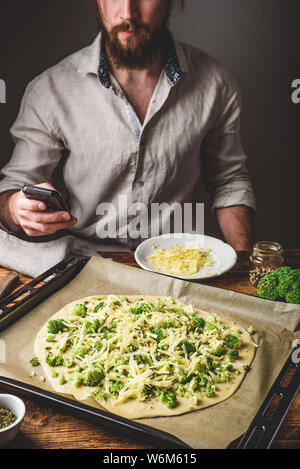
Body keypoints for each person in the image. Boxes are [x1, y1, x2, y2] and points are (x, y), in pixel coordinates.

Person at [0, 0, 255, 252]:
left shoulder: (215, 82)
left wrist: (244, 264)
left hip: (179, 262)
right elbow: (16, 184)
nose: (127, 12)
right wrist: (15, 208)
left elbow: (229, 182)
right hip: (88, 264)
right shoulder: (50, 89)